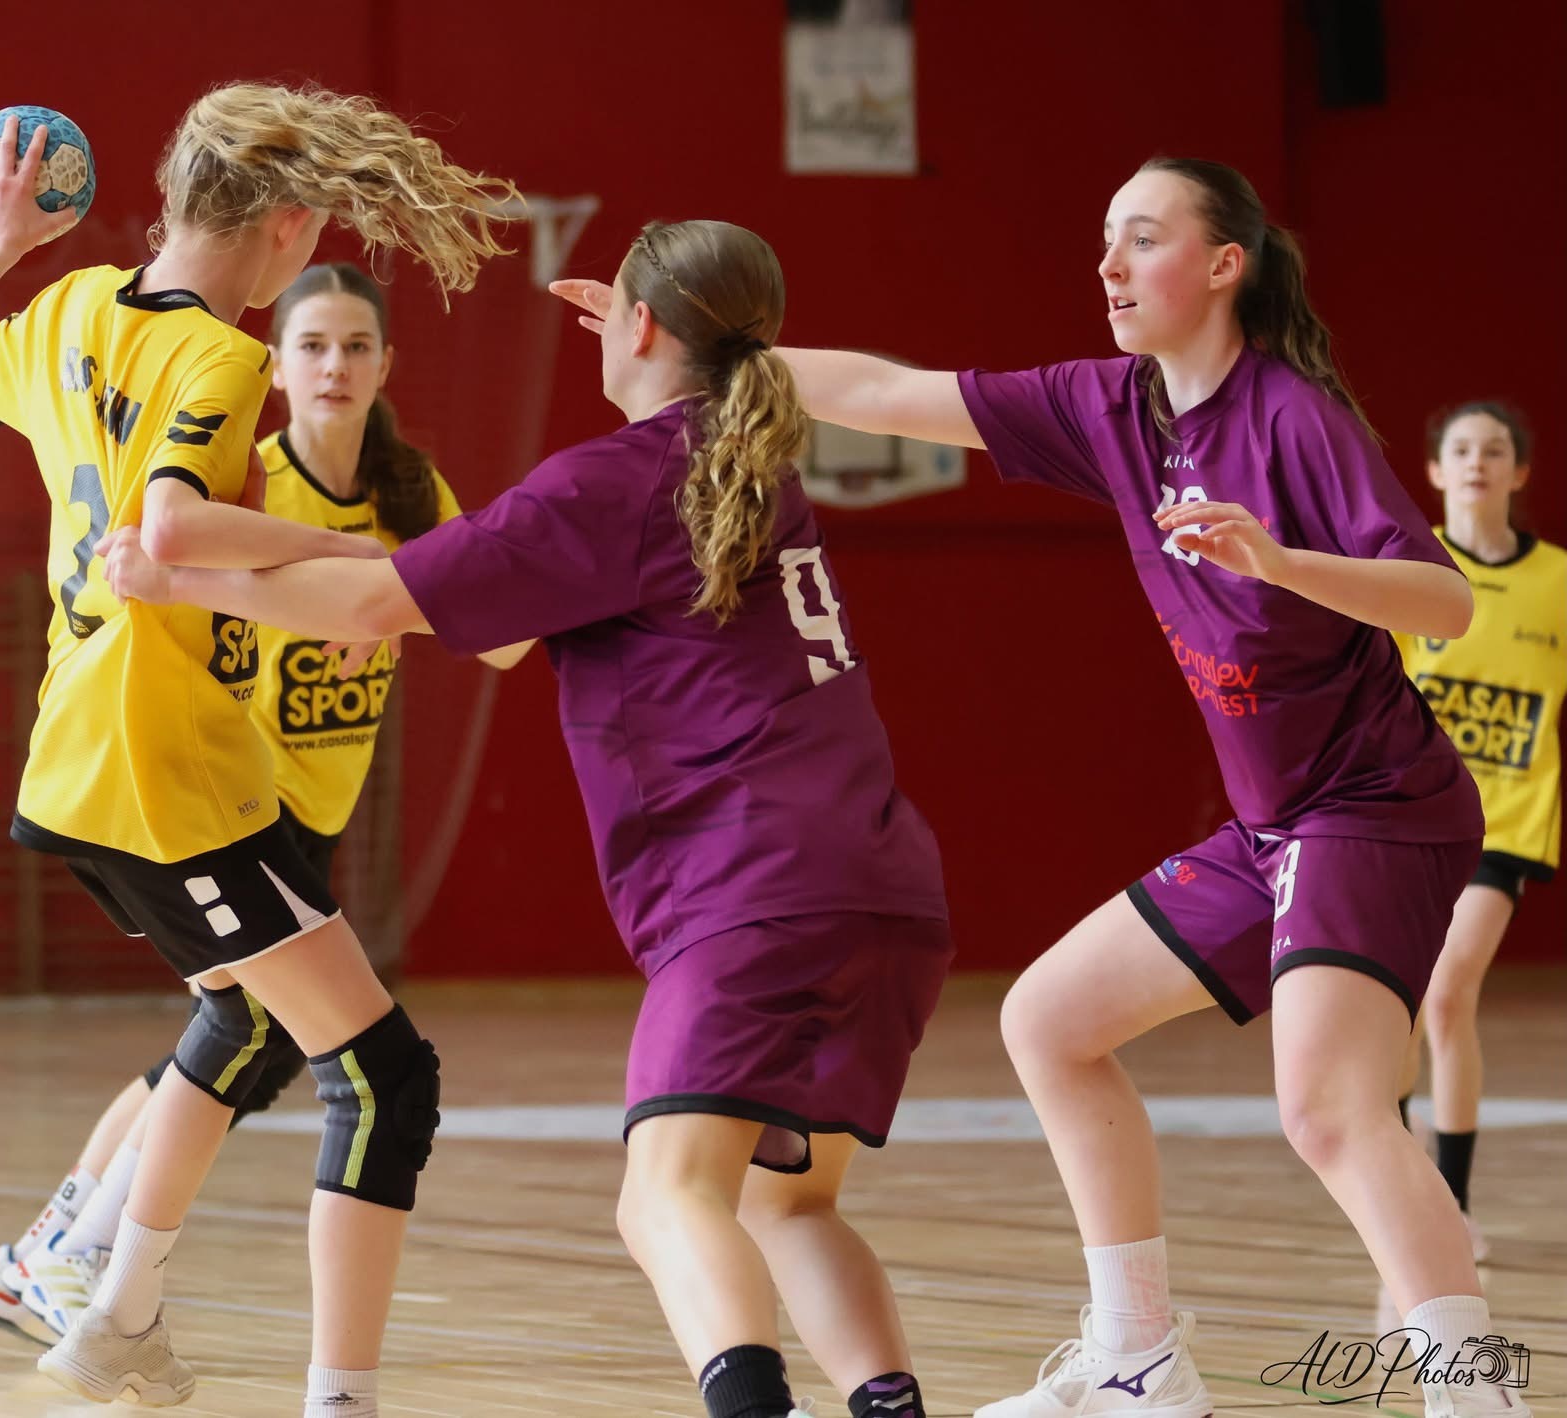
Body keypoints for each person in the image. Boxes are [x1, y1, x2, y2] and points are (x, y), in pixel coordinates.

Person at [620, 158, 1522, 1418]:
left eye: (1139, 239)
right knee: (1047, 1020)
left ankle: (1473, 1392)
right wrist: (699, 354)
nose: (1104, 265)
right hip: (1273, 828)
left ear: (1221, 266)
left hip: (1374, 807)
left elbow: (1440, 597)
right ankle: (1138, 1360)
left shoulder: (1291, 418)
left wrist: (1278, 558)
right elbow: (888, 391)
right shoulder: (1113, 408)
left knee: (1324, 1104)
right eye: (1101, 238)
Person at [103, 217, 953, 1418]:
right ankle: (887, 1404)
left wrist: (168, 577)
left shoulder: (612, 483)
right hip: (888, 891)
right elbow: (489, 612)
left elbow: (373, 592)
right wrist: (670, 323)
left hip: (751, 890)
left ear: (641, 326)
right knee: (788, 1199)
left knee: (663, 1194)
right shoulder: (756, 468)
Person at [0, 85, 513, 1411]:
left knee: (246, 1020)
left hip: (87, 758)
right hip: (159, 767)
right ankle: (313, 1381)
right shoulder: (224, 360)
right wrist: (367, 561)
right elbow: (171, 531)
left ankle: (110, 1300)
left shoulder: (66, 311)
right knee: (383, 1078)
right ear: (290, 232)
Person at [1397, 401, 1563, 1260]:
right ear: (1435, 469)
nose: (1476, 462)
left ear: (1519, 471)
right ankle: (1393, 1188)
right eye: (1460, 448)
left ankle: (1450, 1206)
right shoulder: (1407, 563)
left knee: (1448, 989)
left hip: (1504, 822)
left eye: (1495, 449)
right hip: (1401, 814)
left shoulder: (1557, 582)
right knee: (1389, 1009)